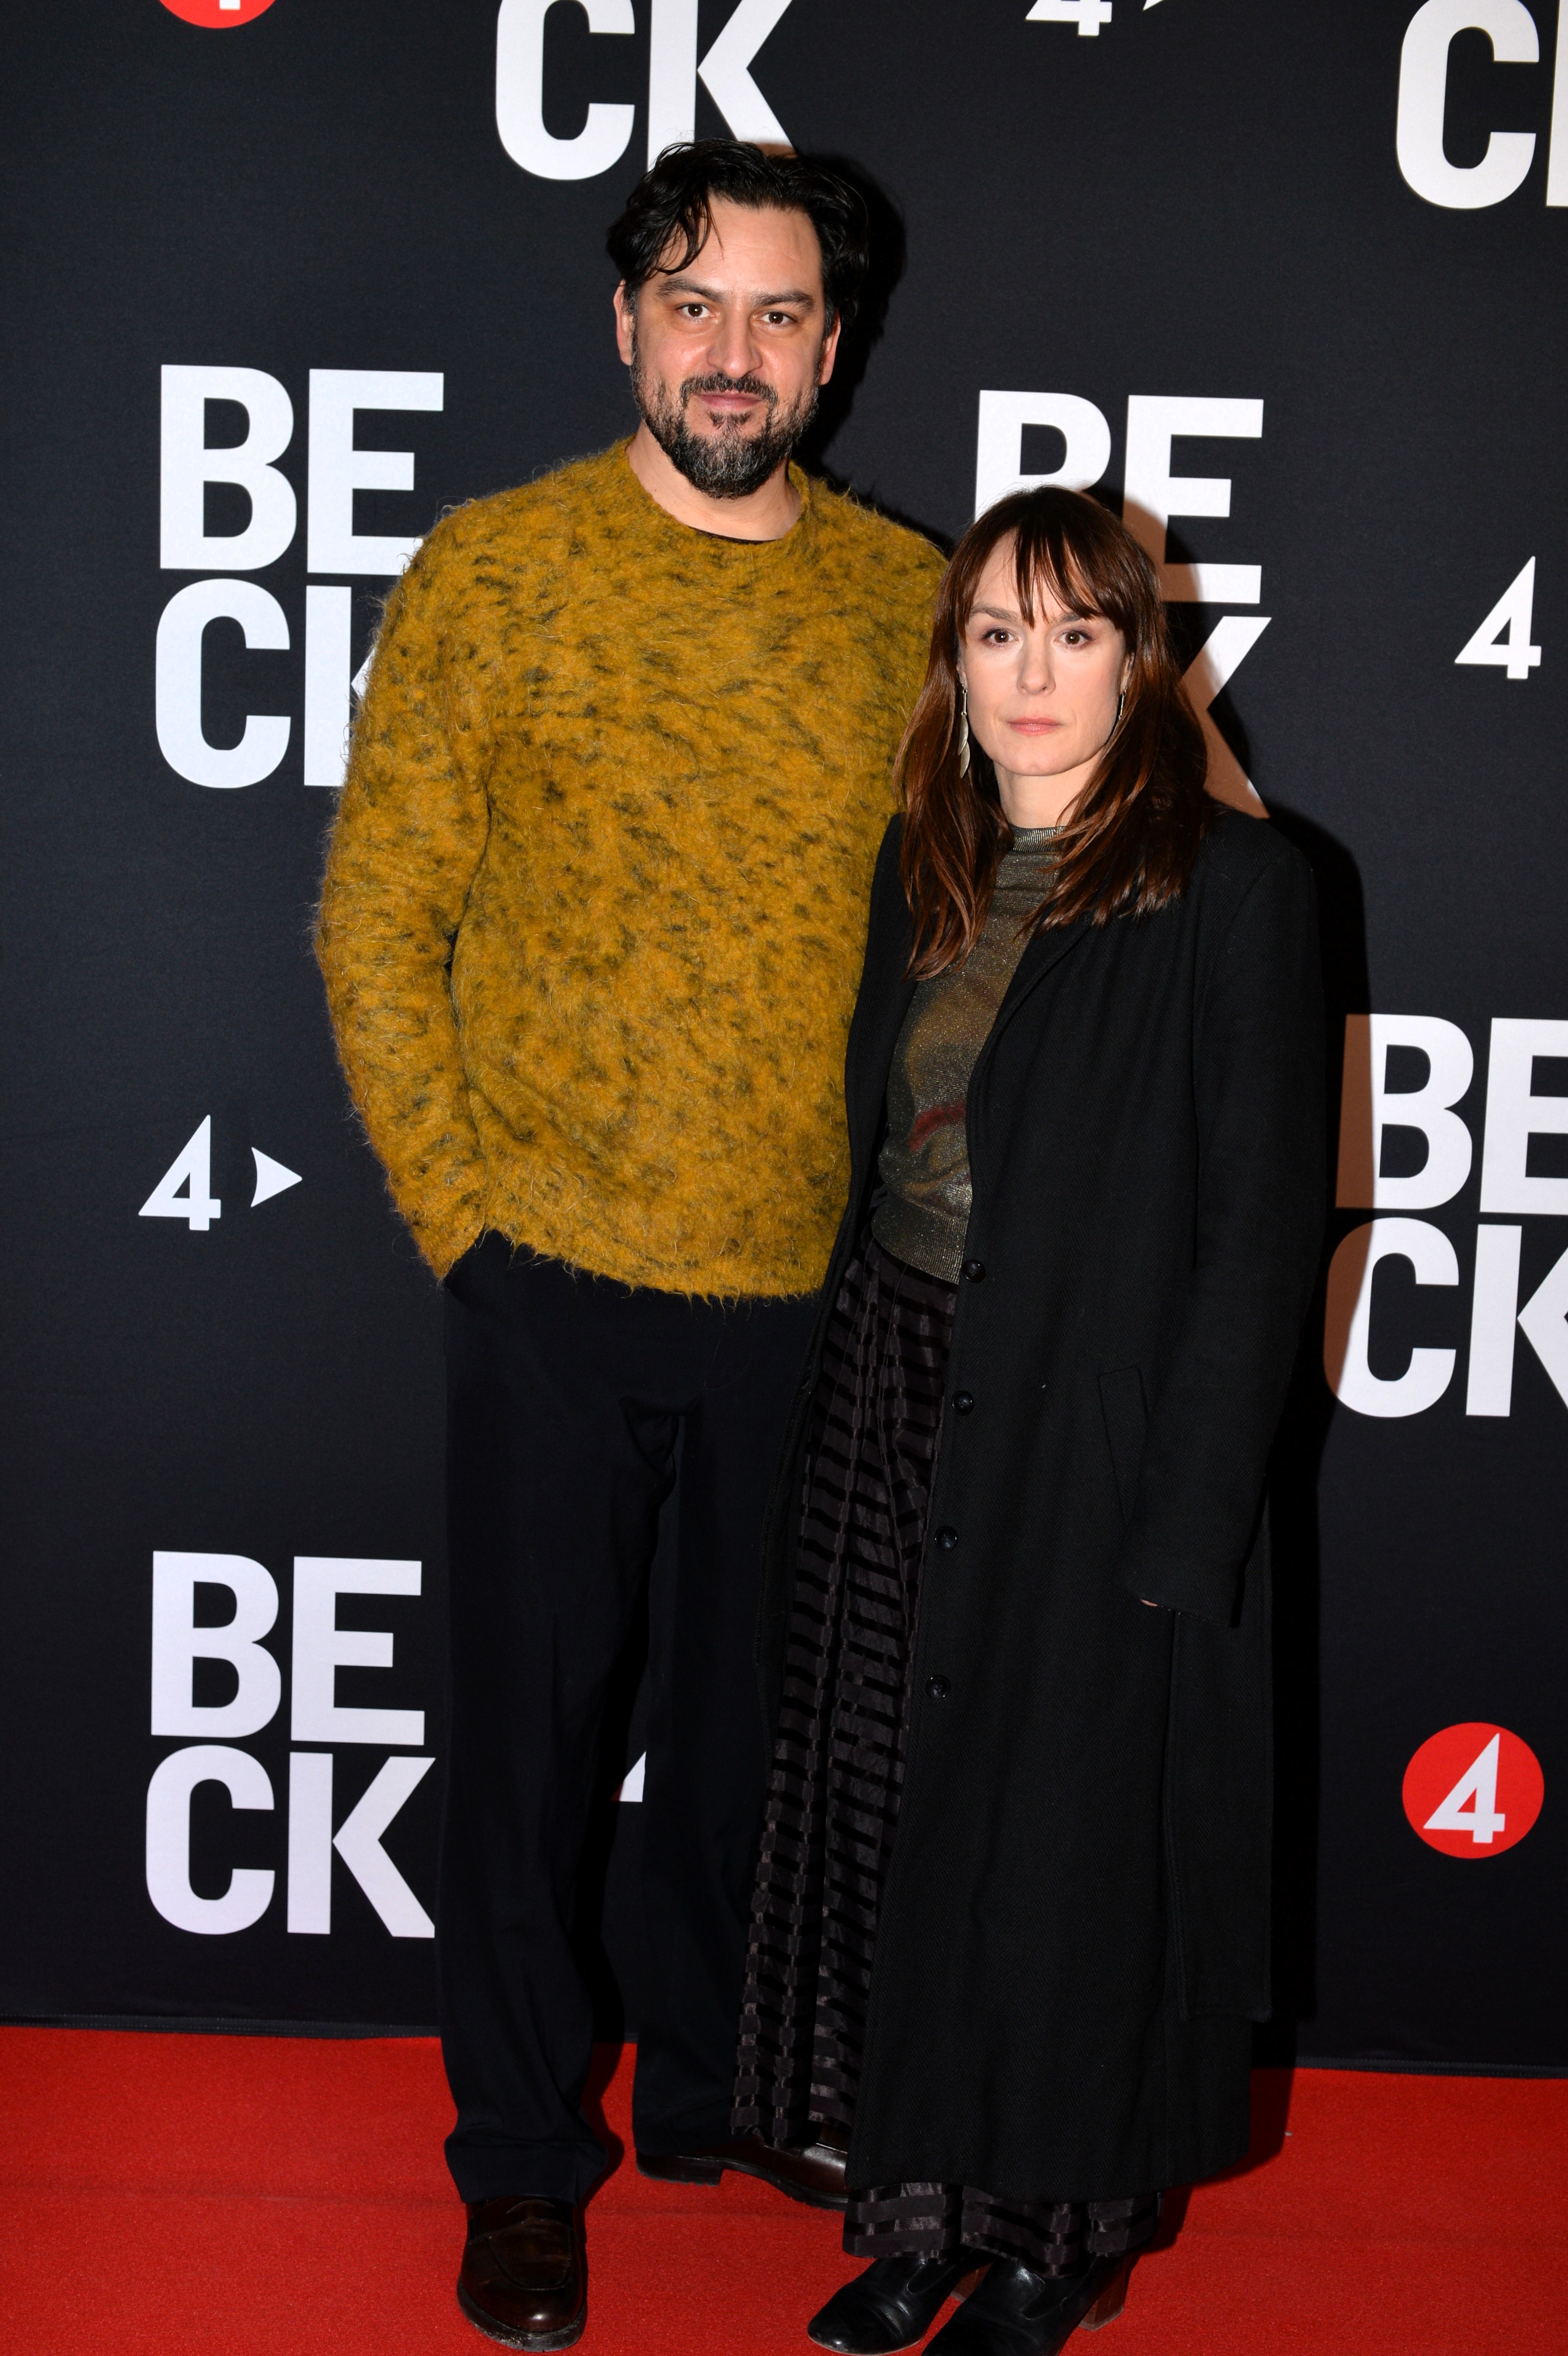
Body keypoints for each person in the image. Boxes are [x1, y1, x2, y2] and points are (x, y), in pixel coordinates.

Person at [316, 141, 943, 2350]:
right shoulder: (495, 570)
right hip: (550, 1274)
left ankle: (717, 2089)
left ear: (832, 349)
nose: (732, 353)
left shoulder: (908, 602)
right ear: (624, 326)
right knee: (528, 1748)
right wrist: (464, 1221)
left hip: (807, 1287)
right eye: (694, 304)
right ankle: (517, 2159)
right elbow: (380, 914)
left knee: (759, 1735)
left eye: (777, 313)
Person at [733, 487, 1326, 2356]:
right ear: (956, 662)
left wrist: (1187, 1529)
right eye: (996, 632)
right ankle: (914, 2208)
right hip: (897, 1396)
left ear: (1141, 660)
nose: (1033, 672)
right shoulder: (927, 852)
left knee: (1064, 1856)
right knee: (900, 1824)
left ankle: (1054, 2239)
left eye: (1076, 631)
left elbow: (1259, 1241)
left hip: (1096, 1437)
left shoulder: (1240, 889)